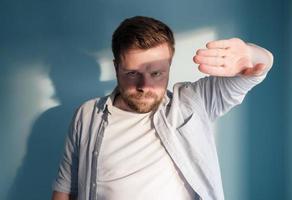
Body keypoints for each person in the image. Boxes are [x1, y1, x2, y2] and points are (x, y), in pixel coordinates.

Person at [51, 16, 273, 200]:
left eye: (156, 73)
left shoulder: (193, 101)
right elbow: (65, 189)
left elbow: (258, 68)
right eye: (132, 73)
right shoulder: (87, 114)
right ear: (116, 67)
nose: (144, 86)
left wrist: (252, 55)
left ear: (169, 66)